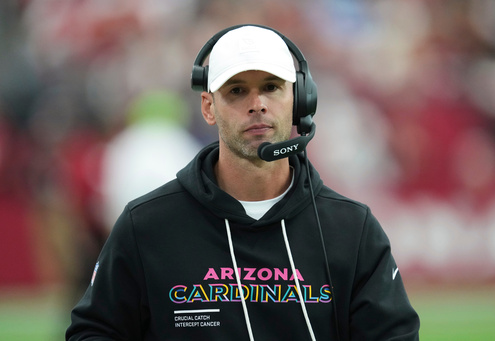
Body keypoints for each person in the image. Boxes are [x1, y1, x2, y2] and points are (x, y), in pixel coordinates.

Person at [66, 24, 420, 341]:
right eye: (236, 91)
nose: (257, 104)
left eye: (271, 87)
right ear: (208, 107)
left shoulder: (352, 230)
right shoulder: (146, 225)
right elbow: (93, 332)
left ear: (299, 100)